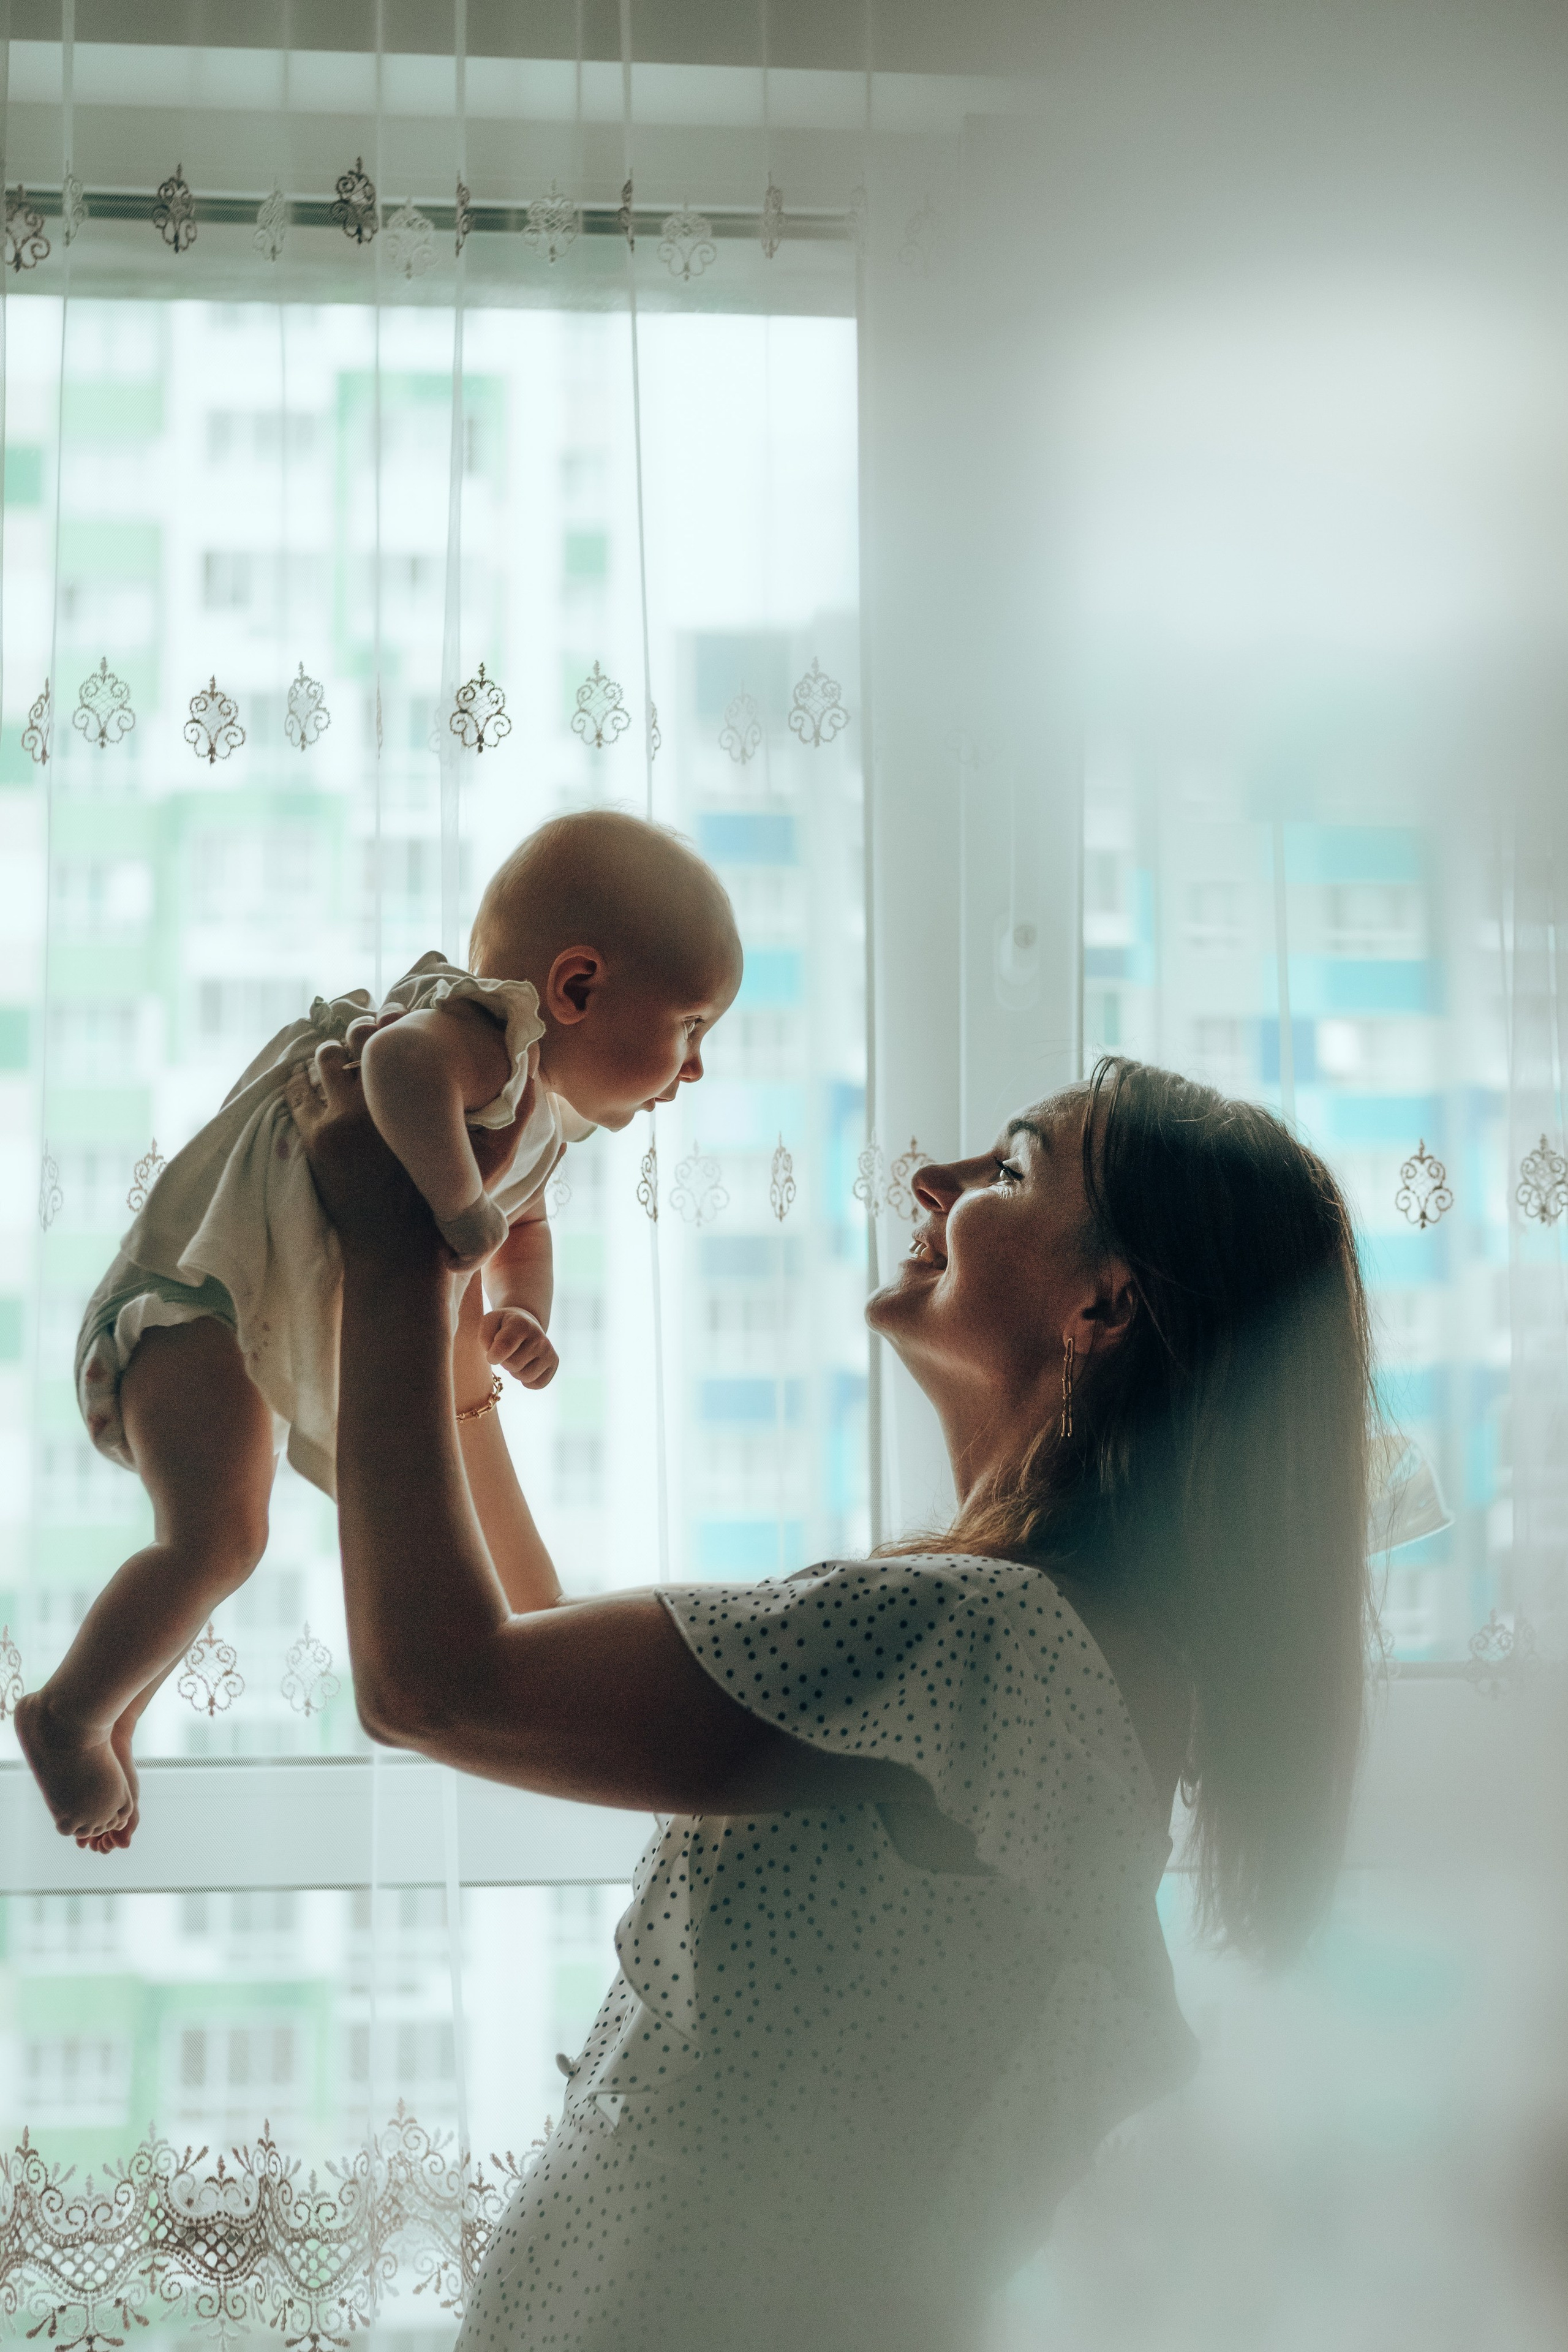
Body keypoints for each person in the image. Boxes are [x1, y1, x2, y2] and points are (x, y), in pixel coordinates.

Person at [288, 1047, 1374, 2352]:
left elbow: (438, 1686)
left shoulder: (976, 1638)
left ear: (1101, 1306)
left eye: (1012, 1166)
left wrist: (392, 1246)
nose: (933, 1178)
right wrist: (462, 1376)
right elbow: (539, 1669)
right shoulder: (1069, 1645)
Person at [17, 810, 742, 1853]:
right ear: (578, 989)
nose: (695, 1068)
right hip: (198, 1295)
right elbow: (401, 1068)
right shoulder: (486, 1041)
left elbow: (521, 1230)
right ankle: (66, 1711)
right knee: (219, 1539)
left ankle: (115, 1707)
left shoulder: (536, 1116)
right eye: (693, 1027)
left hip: (238, 1311)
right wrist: (456, 1211)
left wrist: (522, 1310)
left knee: (225, 1539)